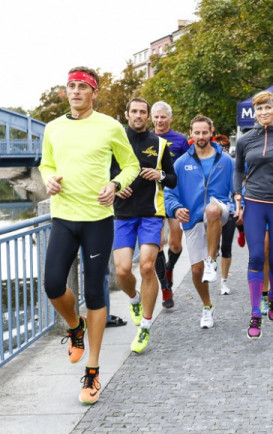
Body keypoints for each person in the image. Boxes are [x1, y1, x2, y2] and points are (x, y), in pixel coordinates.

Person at [39, 66, 140, 404]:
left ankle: (92, 373)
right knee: (53, 283)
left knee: (96, 292)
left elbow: (131, 166)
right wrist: (48, 179)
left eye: (83, 86)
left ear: (94, 93)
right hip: (64, 217)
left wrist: (115, 184)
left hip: (98, 219)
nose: (77, 91)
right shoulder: (52, 128)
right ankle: (74, 326)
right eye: (71, 86)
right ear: (66, 92)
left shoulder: (110, 126)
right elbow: (46, 164)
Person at [111, 97, 177, 353]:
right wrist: (115, 187)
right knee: (123, 271)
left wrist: (160, 175)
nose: (138, 115)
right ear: (126, 114)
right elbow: (102, 174)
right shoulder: (115, 142)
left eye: (143, 112)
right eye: (134, 111)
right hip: (123, 214)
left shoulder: (159, 144)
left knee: (148, 266)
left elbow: (172, 179)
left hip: (151, 213)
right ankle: (134, 299)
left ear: (148, 116)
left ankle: (145, 327)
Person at [233, 90, 273, 340]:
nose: (263, 113)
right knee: (256, 256)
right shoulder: (245, 140)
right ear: (255, 112)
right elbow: (239, 169)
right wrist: (237, 192)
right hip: (254, 204)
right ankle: (254, 314)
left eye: (267, 108)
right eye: (259, 109)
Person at [164, 115, 234, 329]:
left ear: (211, 131)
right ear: (191, 134)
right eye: (197, 132)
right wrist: (177, 209)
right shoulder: (181, 162)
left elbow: (237, 187)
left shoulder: (226, 160)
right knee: (196, 271)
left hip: (219, 209)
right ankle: (207, 306)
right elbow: (169, 194)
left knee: (212, 209)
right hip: (193, 217)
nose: (201, 136)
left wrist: (237, 205)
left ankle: (212, 260)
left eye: (205, 132)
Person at [151, 101, 190, 308]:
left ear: (170, 118)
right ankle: (166, 287)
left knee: (175, 244)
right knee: (157, 244)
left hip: (174, 195)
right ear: (152, 118)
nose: (159, 120)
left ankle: (168, 267)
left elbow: (186, 169)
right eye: (156, 117)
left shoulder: (180, 140)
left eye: (163, 117)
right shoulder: (146, 139)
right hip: (152, 197)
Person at [213, 134, 239, 295]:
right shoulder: (206, 163)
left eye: (225, 147)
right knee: (214, 245)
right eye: (219, 146)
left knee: (226, 247)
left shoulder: (231, 163)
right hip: (211, 211)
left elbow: (238, 186)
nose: (223, 150)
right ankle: (212, 255)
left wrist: (239, 206)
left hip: (229, 209)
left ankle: (224, 281)